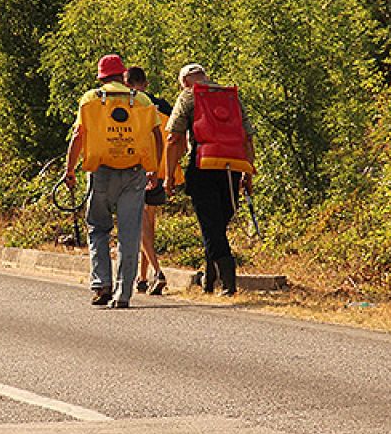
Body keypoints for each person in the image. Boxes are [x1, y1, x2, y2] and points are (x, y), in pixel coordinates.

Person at [64, 54, 163, 308]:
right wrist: (154, 168)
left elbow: (78, 135)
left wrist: (70, 169)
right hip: (134, 171)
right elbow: (157, 136)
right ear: (123, 75)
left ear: (101, 76)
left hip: (101, 172)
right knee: (130, 233)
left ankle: (101, 285)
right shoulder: (141, 100)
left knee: (98, 228)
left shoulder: (90, 100)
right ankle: (123, 294)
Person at [164, 63, 255, 296]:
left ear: (185, 82)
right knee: (216, 225)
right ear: (205, 77)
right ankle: (210, 278)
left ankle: (228, 280)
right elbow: (247, 138)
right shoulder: (230, 96)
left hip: (203, 165)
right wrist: (247, 172)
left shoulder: (188, 96)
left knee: (211, 226)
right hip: (231, 167)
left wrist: (169, 176)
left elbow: (174, 138)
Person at [123, 66, 172, 296]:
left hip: (139, 167)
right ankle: (142, 279)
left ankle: (157, 271)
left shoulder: (132, 104)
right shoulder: (162, 105)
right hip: (160, 168)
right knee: (149, 224)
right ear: (146, 82)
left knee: (141, 226)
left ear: (127, 84)